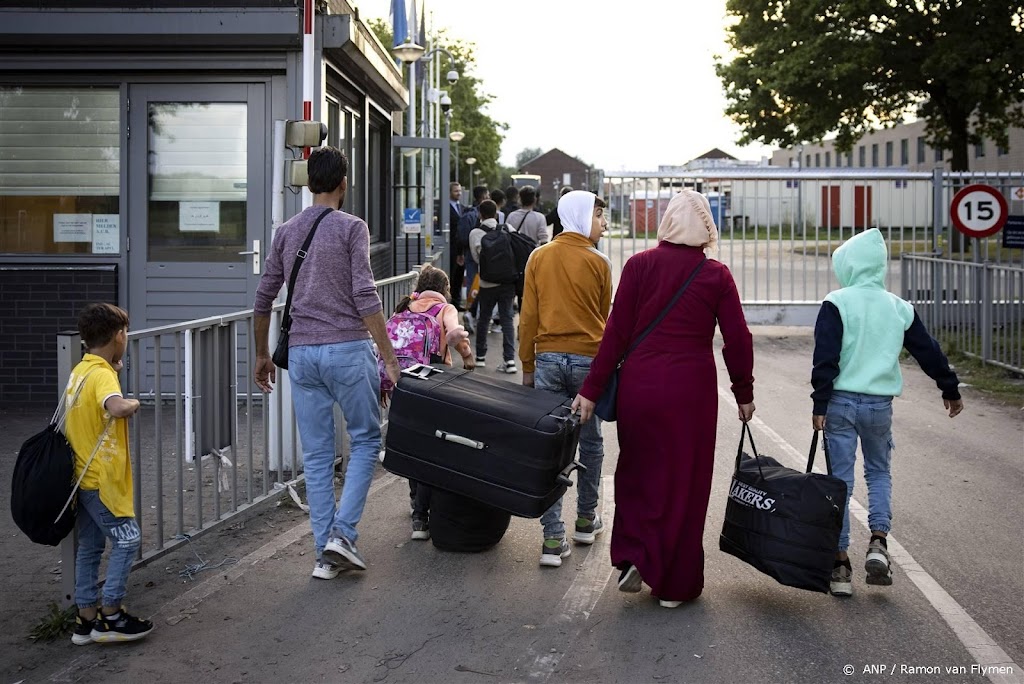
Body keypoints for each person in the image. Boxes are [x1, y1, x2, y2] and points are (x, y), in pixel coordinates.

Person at [574, 189, 755, 608]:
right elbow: (737, 339)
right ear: (706, 226)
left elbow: (615, 334)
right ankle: (673, 583)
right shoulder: (716, 275)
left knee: (638, 471)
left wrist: (590, 390)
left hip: (641, 386)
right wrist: (743, 391)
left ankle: (636, 555)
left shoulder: (639, 266)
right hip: (690, 392)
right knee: (684, 482)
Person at [253, 146, 401, 581]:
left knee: (316, 457)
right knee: (366, 441)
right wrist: (389, 358)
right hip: (347, 350)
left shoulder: (286, 231)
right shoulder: (352, 228)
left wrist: (262, 354)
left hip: (300, 355)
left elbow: (264, 297)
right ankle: (343, 535)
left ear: (308, 182)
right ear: (343, 183)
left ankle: (324, 554)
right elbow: (365, 296)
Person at [810, 228, 964, 598]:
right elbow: (927, 350)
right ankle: (878, 542)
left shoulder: (837, 301)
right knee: (879, 472)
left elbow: (825, 357)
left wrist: (819, 403)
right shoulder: (898, 306)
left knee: (840, 483)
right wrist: (950, 388)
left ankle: (841, 564)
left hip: (841, 403)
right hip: (880, 406)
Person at [519, 190, 612, 567]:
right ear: (580, 216)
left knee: (551, 447)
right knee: (590, 442)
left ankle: (552, 538)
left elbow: (528, 317)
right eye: (599, 216)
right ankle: (587, 518)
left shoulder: (538, 257)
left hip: (548, 360)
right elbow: (606, 318)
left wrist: (527, 365)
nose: (603, 224)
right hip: (589, 363)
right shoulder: (599, 262)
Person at [65, 302, 154, 644]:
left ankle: (85, 618)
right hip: (102, 481)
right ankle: (112, 615)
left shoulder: (81, 370)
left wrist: (113, 367)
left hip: (80, 478)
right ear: (119, 336)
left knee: (89, 546)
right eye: (126, 333)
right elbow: (115, 406)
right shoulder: (103, 375)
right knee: (128, 539)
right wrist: (133, 403)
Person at [384, 264, 474, 541]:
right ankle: (422, 516)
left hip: (403, 384)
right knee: (433, 448)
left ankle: (416, 503)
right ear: (445, 289)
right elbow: (455, 334)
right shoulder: (444, 309)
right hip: (433, 382)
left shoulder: (404, 308)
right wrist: (467, 356)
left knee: (414, 444)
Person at [469, 199, 517, 373]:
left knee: (484, 318)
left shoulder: (475, 233)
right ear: (496, 214)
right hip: (507, 282)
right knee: (507, 320)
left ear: (480, 214)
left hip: (487, 282)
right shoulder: (507, 229)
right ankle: (510, 361)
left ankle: (480, 357)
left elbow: (476, 258)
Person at [458, 185, 490, 333]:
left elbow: (462, 237)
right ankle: (473, 315)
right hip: (481, 257)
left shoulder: (467, 215)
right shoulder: (478, 215)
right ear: (483, 197)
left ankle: (471, 312)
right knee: (481, 286)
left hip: (470, 255)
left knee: (473, 286)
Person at [447, 182, 466, 310]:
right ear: (449, 192)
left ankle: (457, 302)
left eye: (459, 191)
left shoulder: (463, 208)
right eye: (455, 191)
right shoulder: (446, 208)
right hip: (450, 247)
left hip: (460, 248)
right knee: (451, 276)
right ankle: (449, 302)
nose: (458, 193)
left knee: (459, 275)